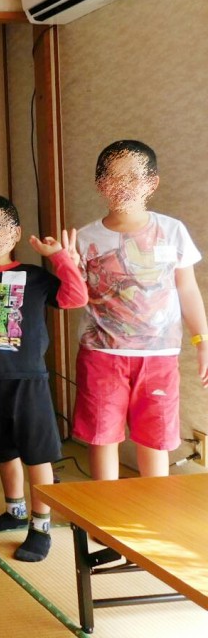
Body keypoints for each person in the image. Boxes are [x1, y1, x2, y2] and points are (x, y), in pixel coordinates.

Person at [0, 195, 87, 562]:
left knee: (36, 456)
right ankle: (14, 510)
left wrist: (60, 258)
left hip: (28, 381)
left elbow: (75, 298)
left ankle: (40, 526)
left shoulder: (34, 276)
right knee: (2, 452)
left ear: (16, 233)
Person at [73, 141, 208, 480]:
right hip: (101, 355)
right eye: (112, 177)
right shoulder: (85, 238)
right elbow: (73, 296)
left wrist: (202, 341)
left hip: (159, 357)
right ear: (100, 184)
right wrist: (65, 264)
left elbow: (187, 288)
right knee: (102, 437)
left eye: (133, 177)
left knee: (155, 439)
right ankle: (105, 509)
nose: (123, 185)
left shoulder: (172, 231)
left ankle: (154, 507)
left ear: (152, 183)